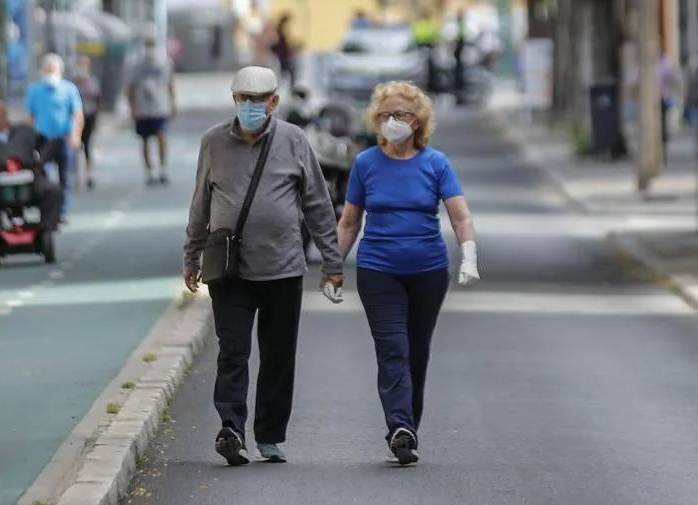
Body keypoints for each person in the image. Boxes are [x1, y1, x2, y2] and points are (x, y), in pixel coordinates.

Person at [183, 66, 347, 467]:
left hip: (283, 268)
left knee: (277, 356)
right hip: (231, 270)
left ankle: (270, 436)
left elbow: (317, 204)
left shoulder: (294, 140)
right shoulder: (214, 142)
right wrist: (191, 255)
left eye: (259, 100)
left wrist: (332, 259)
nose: (251, 107)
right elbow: (200, 202)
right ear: (234, 99)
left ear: (273, 102)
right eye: (244, 99)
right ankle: (231, 429)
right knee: (233, 352)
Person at [335, 80, 480, 466]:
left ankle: (407, 429)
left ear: (417, 121)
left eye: (400, 114)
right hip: (378, 270)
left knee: (417, 351)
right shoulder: (366, 164)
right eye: (385, 115)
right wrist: (334, 265)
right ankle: (399, 427)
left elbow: (460, 214)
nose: (392, 121)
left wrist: (468, 255)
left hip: (429, 272)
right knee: (393, 349)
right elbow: (350, 223)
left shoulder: (436, 163)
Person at [0, 98, 63, 238]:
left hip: (30, 180)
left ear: (5, 113)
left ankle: (47, 229)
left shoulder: (25, 131)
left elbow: (47, 144)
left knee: (53, 191)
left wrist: (40, 162)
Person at [24, 53, 84, 221]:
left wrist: (76, 135)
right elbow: (30, 117)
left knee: (65, 178)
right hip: (43, 141)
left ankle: (62, 212)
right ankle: (47, 210)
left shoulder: (69, 89)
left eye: (53, 70)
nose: (50, 74)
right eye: (47, 70)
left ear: (60, 71)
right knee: (43, 177)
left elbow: (78, 114)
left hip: (64, 139)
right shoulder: (34, 91)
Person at [127, 34, 177, 186]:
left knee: (161, 136)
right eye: (147, 43)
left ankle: (162, 169)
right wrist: (132, 107)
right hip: (143, 107)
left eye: (152, 43)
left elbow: (170, 84)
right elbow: (130, 87)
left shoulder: (165, 62)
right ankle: (149, 171)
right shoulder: (136, 64)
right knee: (145, 139)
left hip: (160, 106)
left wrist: (173, 103)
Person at [73, 55, 103, 190]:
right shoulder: (73, 84)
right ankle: (76, 176)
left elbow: (98, 101)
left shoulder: (92, 82)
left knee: (88, 147)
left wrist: (98, 118)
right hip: (76, 118)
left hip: (89, 116)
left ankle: (89, 175)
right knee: (76, 147)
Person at [270, 14, 297, 88]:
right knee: (284, 74)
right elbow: (275, 45)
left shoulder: (281, 32)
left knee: (288, 73)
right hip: (281, 57)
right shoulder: (279, 32)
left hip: (284, 57)